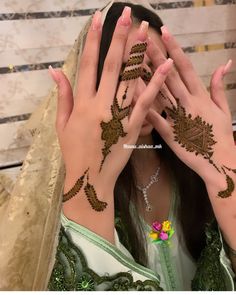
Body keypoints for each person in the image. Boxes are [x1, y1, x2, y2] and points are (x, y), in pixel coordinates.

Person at [0, 0, 235, 291]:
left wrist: (226, 176)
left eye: (153, 72)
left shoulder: (201, 169)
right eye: (125, 75)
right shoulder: (60, 190)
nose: (142, 94)